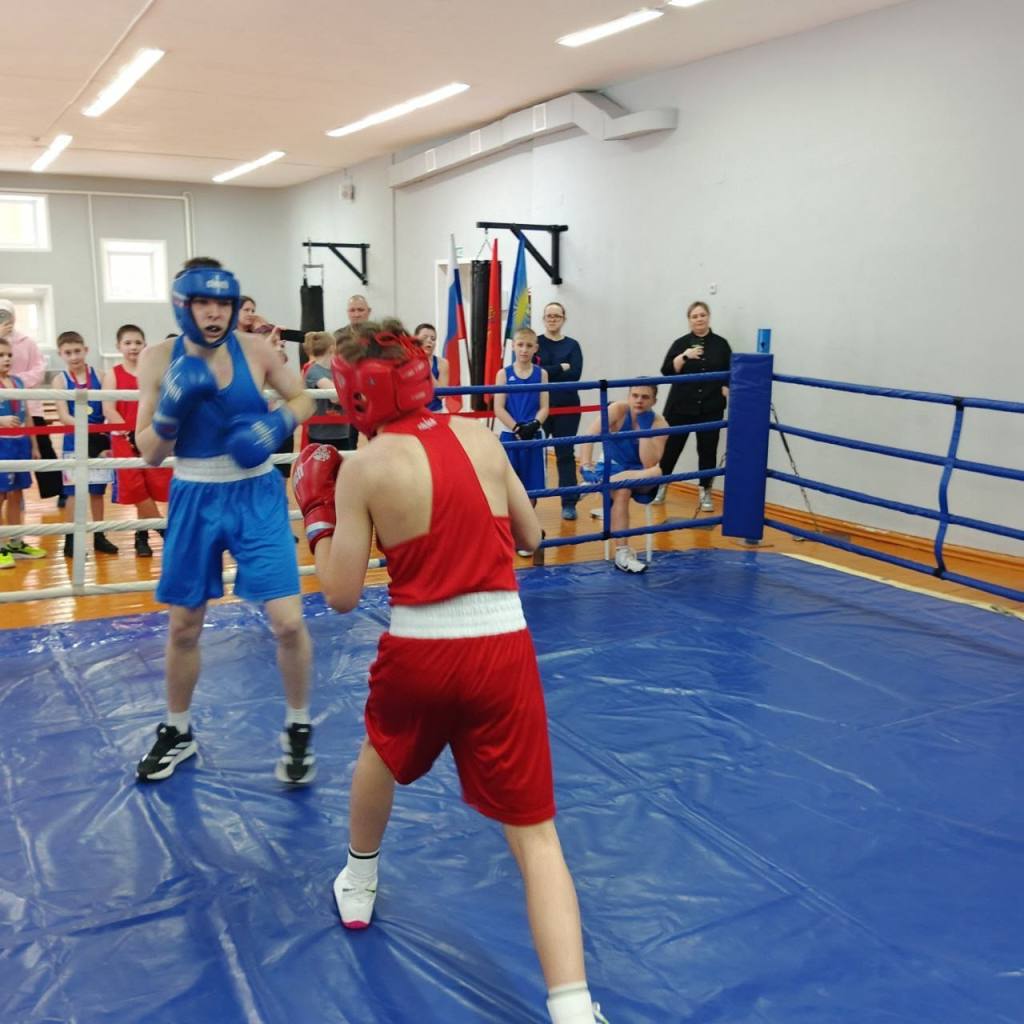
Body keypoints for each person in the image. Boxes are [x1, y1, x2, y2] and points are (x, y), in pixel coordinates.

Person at [292, 327, 608, 1024]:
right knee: (536, 835)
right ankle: (574, 1008)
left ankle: (360, 879)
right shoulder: (480, 434)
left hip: (423, 650)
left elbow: (340, 593)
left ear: (355, 394)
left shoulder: (364, 468)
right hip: (503, 645)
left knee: (380, 752)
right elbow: (533, 537)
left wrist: (316, 516)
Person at [133, 257, 316, 785]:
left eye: (222, 303)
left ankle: (298, 727)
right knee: (184, 626)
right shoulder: (158, 359)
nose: (214, 313)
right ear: (183, 306)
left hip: (255, 492)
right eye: (203, 303)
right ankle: (177, 730)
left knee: (289, 621)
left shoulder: (256, 349)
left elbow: (303, 398)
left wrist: (275, 425)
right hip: (194, 491)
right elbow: (148, 451)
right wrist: (171, 411)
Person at [578, 385, 668, 575]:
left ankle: (599, 484)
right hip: (613, 467)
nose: (639, 400)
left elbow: (649, 463)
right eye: (635, 395)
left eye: (645, 397)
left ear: (654, 401)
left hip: (639, 473)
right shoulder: (617, 410)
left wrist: (644, 429)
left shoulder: (659, 424)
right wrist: (585, 464)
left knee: (657, 471)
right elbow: (589, 435)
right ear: (628, 396)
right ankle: (622, 553)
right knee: (623, 489)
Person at [102, 325, 172, 558]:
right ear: (118, 346)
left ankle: (141, 537)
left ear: (145, 345)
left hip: (149, 435)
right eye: (128, 343)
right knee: (134, 487)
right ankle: (164, 530)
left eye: (137, 342)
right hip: (123, 439)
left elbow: (159, 403)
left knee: (151, 485)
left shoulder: (151, 371)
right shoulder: (113, 374)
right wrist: (127, 431)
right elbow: (108, 408)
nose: (133, 347)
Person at [655, 301, 731, 511]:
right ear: (689, 320)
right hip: (681, 406)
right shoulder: (681, 343)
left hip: (710, 406)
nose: (699, 319)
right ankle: (660, 485)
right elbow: (666, 371)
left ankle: (705, 491)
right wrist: (685, 356)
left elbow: (732, 370)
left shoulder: (721, 344)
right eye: (695, 316)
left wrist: (727, 386)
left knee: (707, 450)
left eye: (702, 315)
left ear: (708, 317)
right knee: (671, 449)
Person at [53, 331, 116, 557]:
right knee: (73, 492)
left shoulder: (100, 375)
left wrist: (103, 432)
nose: (74, 357)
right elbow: (63, 415)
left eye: (77, 351)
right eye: (68, 353)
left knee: (97, 492)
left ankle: (99, 536)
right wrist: (85, 426)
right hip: (74, 440)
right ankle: (71, 540)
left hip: (98, 441)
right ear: (61, 354)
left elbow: (108, 408)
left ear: (85, 350)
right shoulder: (60, 380)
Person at [494, 328, 549, 557]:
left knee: (532, 487)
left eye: (529, 345)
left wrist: (534, 424)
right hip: (510, 436)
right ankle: (509, 533)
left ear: (536, 348)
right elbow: (498, 407)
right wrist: (517, 427)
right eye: (520, 345)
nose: (524, 349)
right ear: (514, 346)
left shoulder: (542, 374)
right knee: (508, 486)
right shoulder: (503, 374)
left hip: (533, 437)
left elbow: (545, 406)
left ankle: (526, 533)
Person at [0, 299, 61, 501]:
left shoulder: (27, 342)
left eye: (6, 314)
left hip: (27, 405)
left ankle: (58, 490)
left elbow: (39, 370)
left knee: (43, 447)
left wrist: (17, 383)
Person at [0, 336, 46, 567]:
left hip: (21, 444)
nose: (6, 359)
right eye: (1, 355)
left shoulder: (18, 381)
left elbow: (27, 414)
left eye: (9, 355)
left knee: (17, 494)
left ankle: (15, 543)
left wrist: (34, 445)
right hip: (1, 445)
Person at [536, 302, 583, 521]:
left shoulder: (573, 345)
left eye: (557, 315)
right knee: (533, 453)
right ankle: (527, 501)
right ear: (543, 318)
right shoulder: (535, 343)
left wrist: (547, 372)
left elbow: (575, 374)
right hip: (539, 406)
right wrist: (559, 368)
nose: (553, 319)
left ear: (564, 318)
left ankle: (569, 502)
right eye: (549, 316)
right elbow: (534, 373)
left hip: (567, 406)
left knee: (565, 453)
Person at [303, 331, 353, 452]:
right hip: (322, 433)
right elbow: (335, 397)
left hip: (342, 430)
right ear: (332, 348)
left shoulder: (337, 369)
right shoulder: (314, 371)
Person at [414, 322, 447, 412]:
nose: (429, 341)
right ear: (415, 340)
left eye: (433, 339)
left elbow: (441, 395)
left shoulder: (442, 363)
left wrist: (426, 367)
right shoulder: (406, 361)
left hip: (435, 412)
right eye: (425, 337)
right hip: (413, 413)